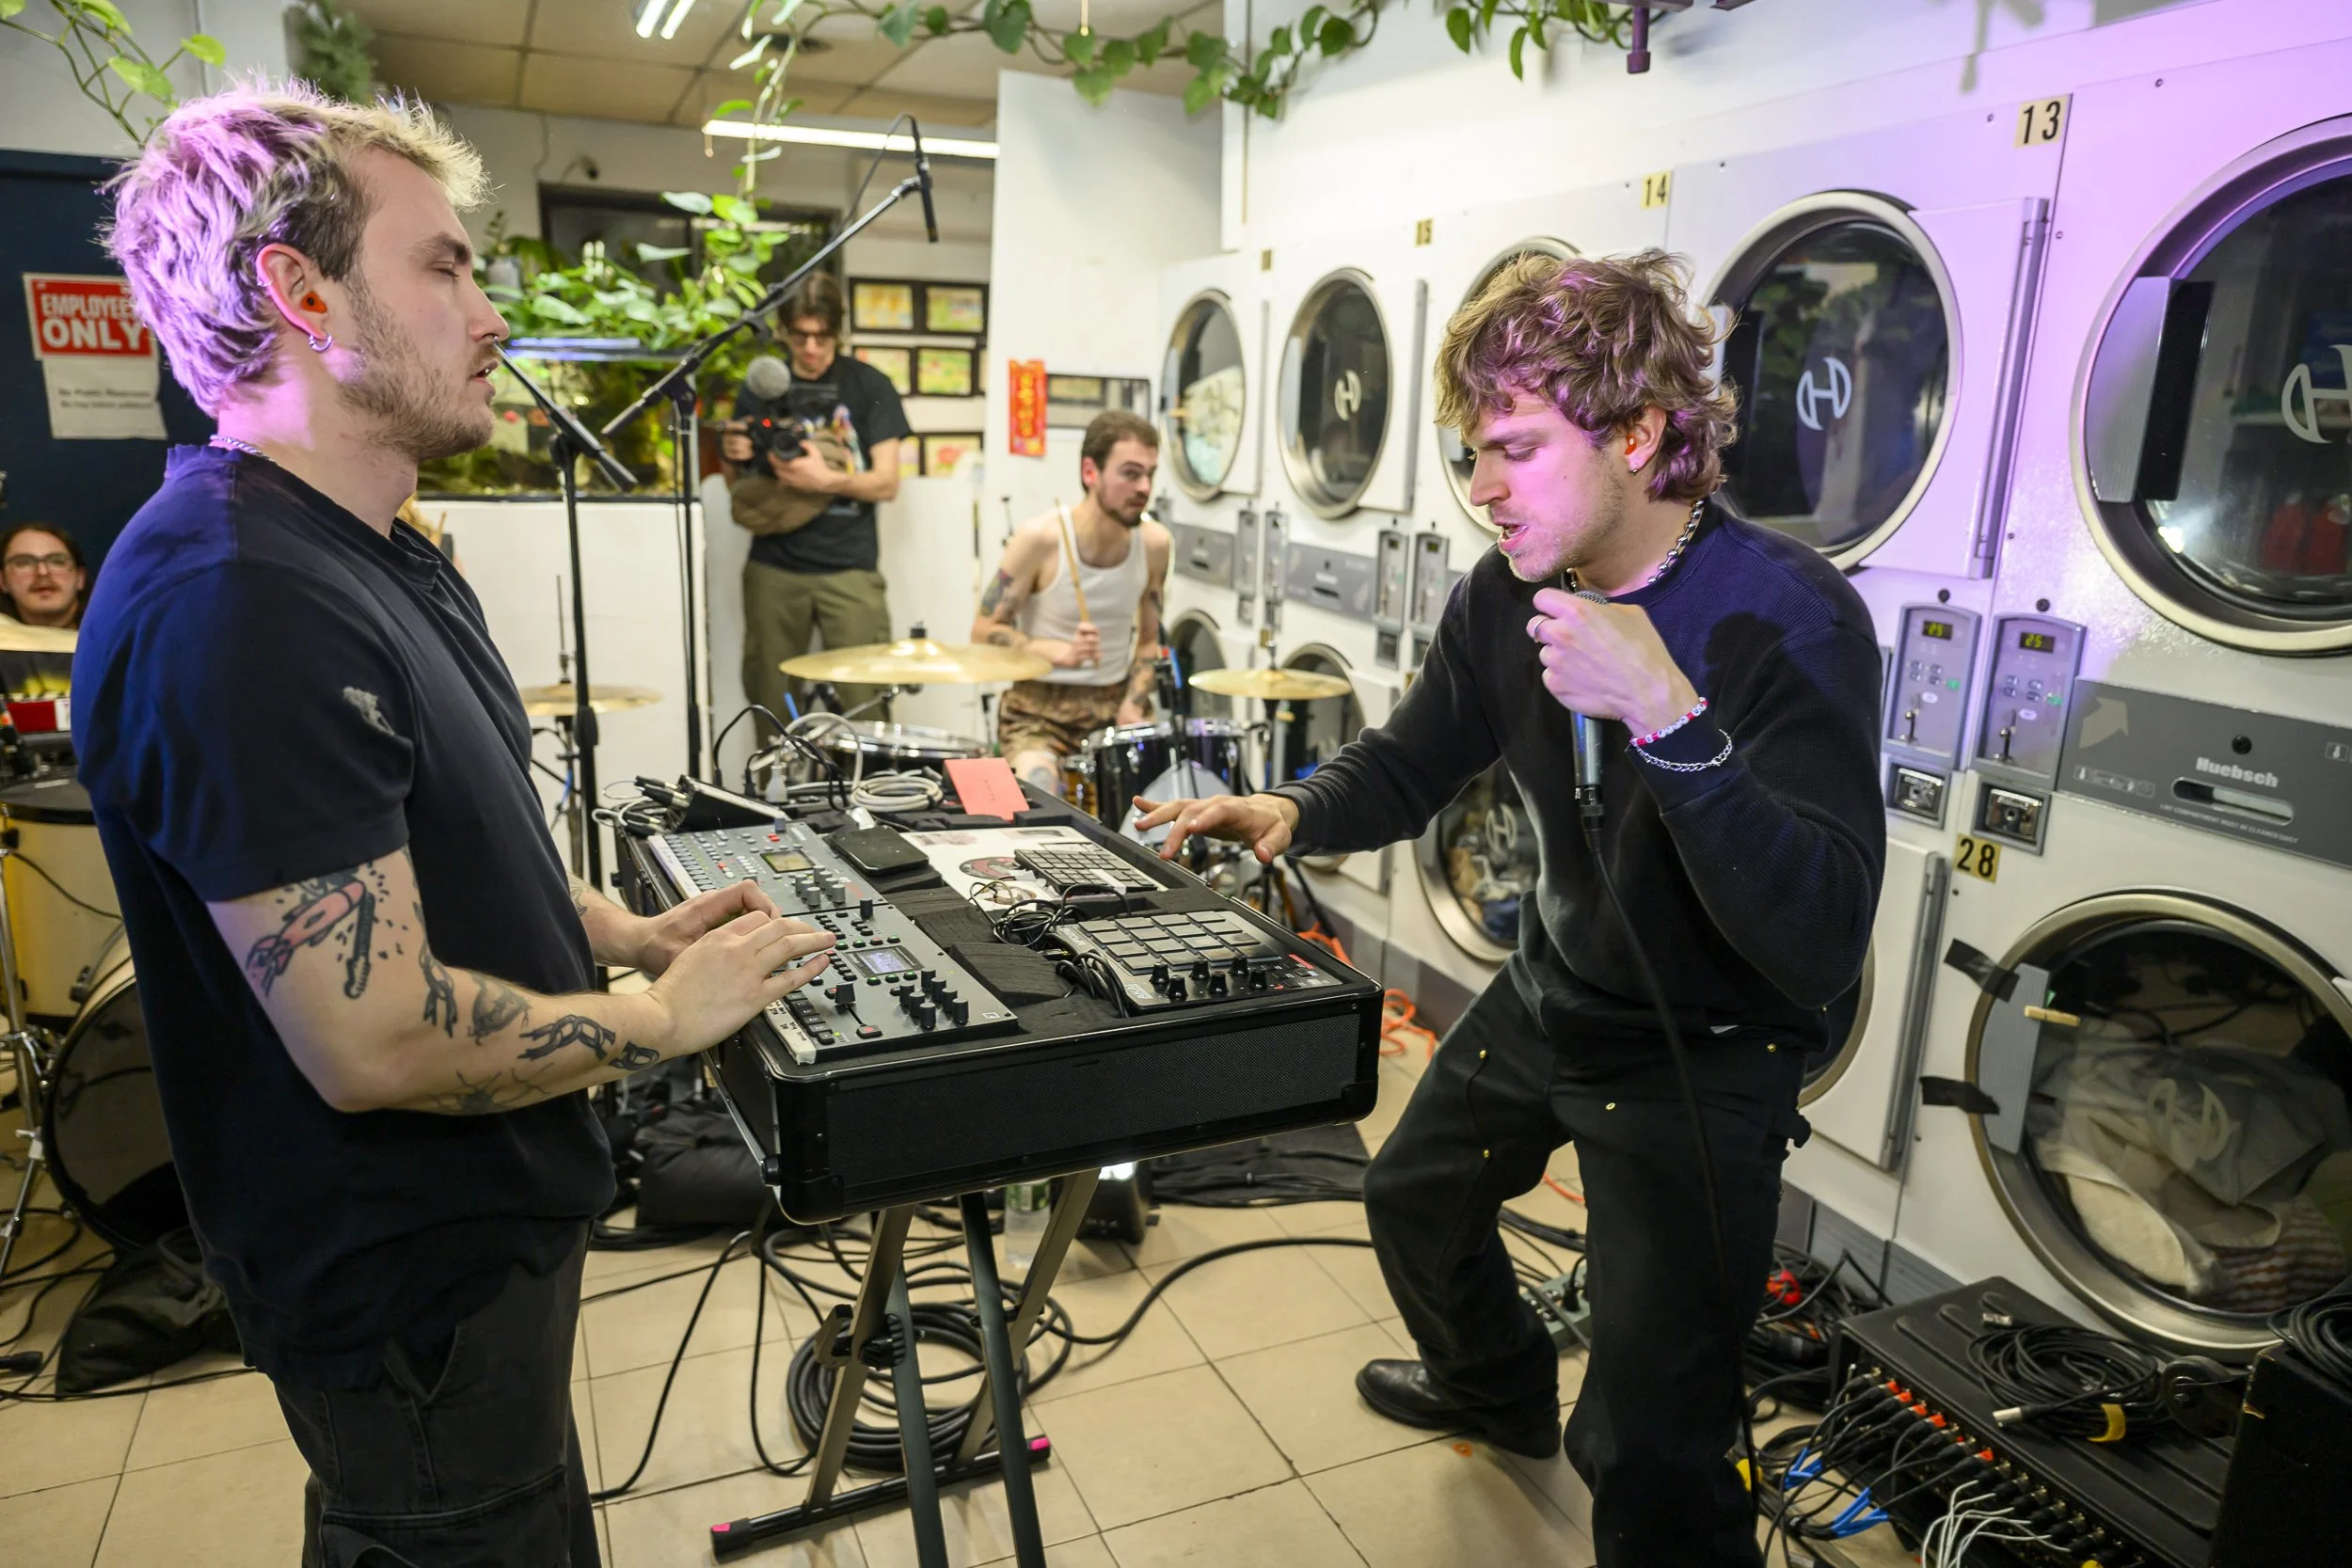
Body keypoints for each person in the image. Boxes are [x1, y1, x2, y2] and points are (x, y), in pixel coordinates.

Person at [83, 83, 835, 1568]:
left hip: (485, 1236)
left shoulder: (375, 549)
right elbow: (371, 1039)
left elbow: (435, 840)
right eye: (443, 266)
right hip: (403, 1282)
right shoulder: (239, 599)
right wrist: (658, 1017)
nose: (491, 316)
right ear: (300, 294)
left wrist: (617, 926)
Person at [1137, 251, 1884, 1567]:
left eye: (1516, 449)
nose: (1481, 488)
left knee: (1649, 1442)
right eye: (1473, 452)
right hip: (1556, 987)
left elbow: (1821, 932)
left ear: (1638, 433)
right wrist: (1296, 808)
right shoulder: (1505, 590)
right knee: (1413, 1197)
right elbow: (1416, 757)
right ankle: (1496, 1388)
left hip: (1707, 1049)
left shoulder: (1791, 617)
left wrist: (1669, 716)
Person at [722, 272, 910, 726]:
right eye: (800, 336)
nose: (810, 349)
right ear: (784, 332)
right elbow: (735, 486)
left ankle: (863, 773)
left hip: (850, 567)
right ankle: (774, 775)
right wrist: (732, 454)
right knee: (770, 702)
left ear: (837, 334)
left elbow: (886, 483)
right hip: (774, 567)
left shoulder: (870, 386)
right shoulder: (762, 384)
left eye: (821, 337)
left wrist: (825, 481)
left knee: (867, 703)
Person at [972, 410, 1170, 795]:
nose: (1144, 487)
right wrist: (1053, 651)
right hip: (1037, 712)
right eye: (1130, 474)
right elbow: (982, 631)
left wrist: (1134, 701)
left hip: (1114, 704)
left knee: (1146, 806)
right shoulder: (1039, 540)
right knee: (1042, 789)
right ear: (1090, 472)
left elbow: (1149, 642)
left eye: (1150, 474)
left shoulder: (1155, 545)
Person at [0, 523, 87, 699]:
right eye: (23, 563)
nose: (42, 572)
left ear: (80, 578)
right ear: (3, 581)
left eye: (57, 561)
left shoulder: (116, 642)